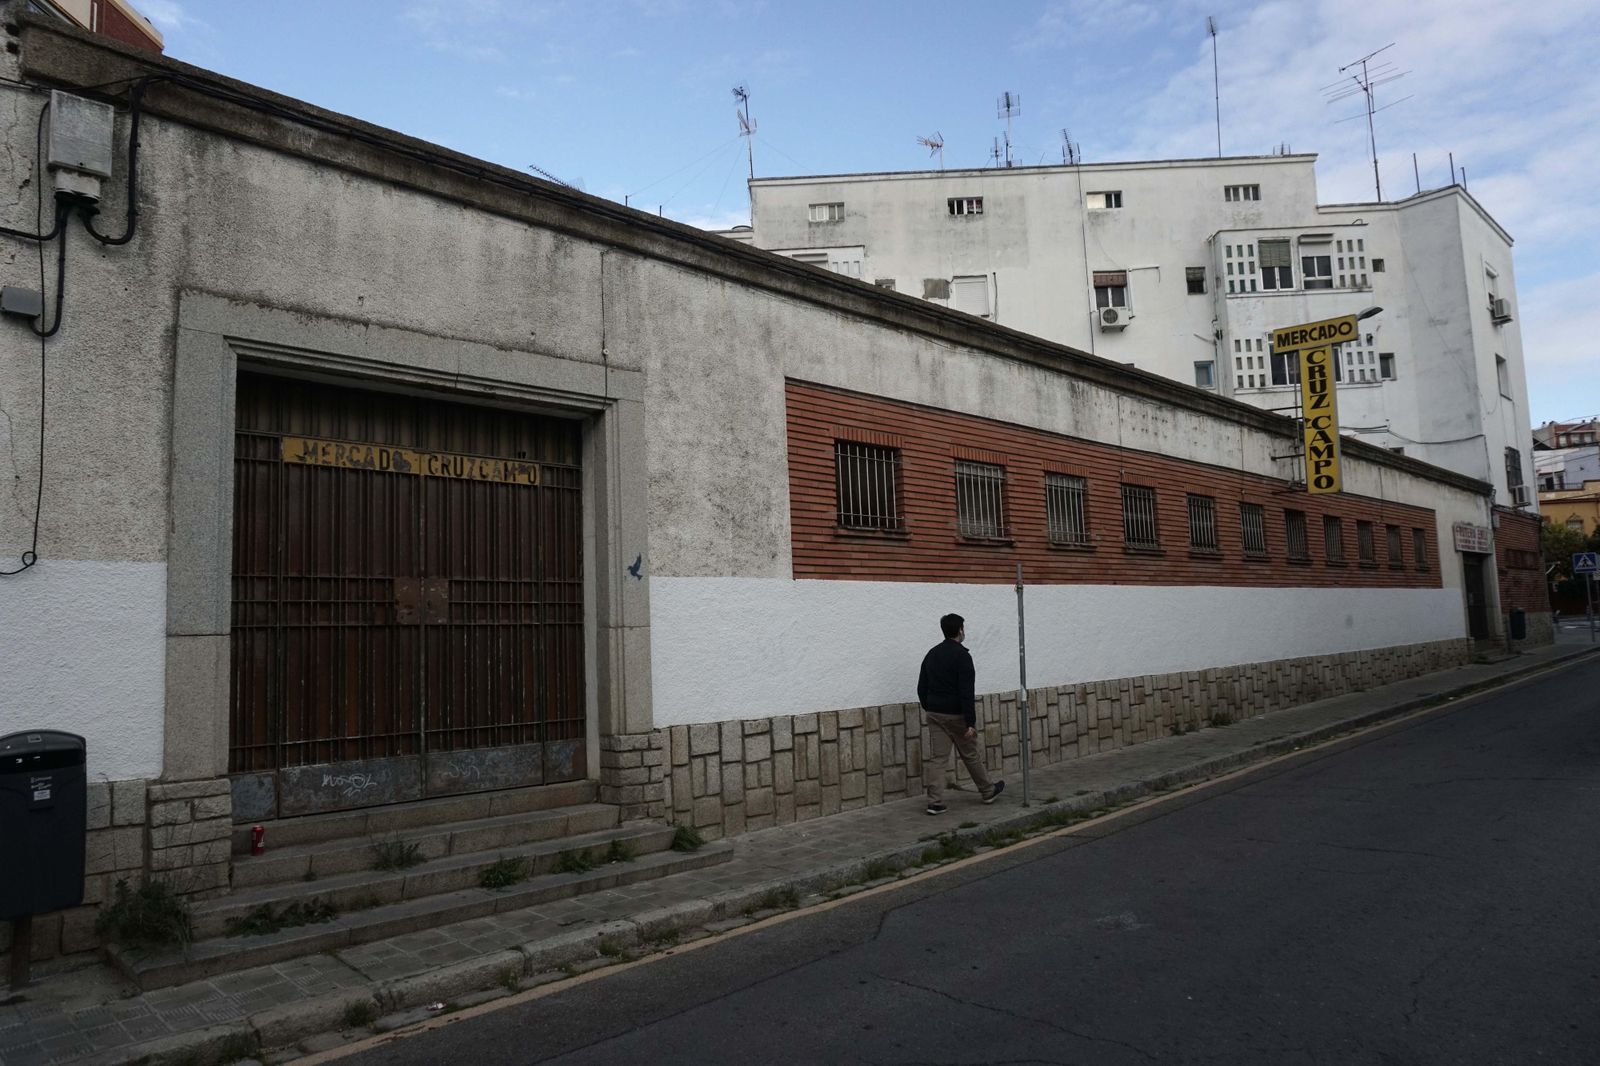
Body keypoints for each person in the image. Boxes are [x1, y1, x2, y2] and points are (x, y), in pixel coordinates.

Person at [916, 613, 1004, 815]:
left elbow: (922, 686)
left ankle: (934, 802)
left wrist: (929, 706)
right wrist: (970, 722)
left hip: (934, 713)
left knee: (938, 758)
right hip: (956, 715)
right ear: (960, 630)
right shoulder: (962, 656)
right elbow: (966, 691)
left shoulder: (931, 654)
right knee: (970, 754)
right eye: (963, 628)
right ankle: (988, 791)